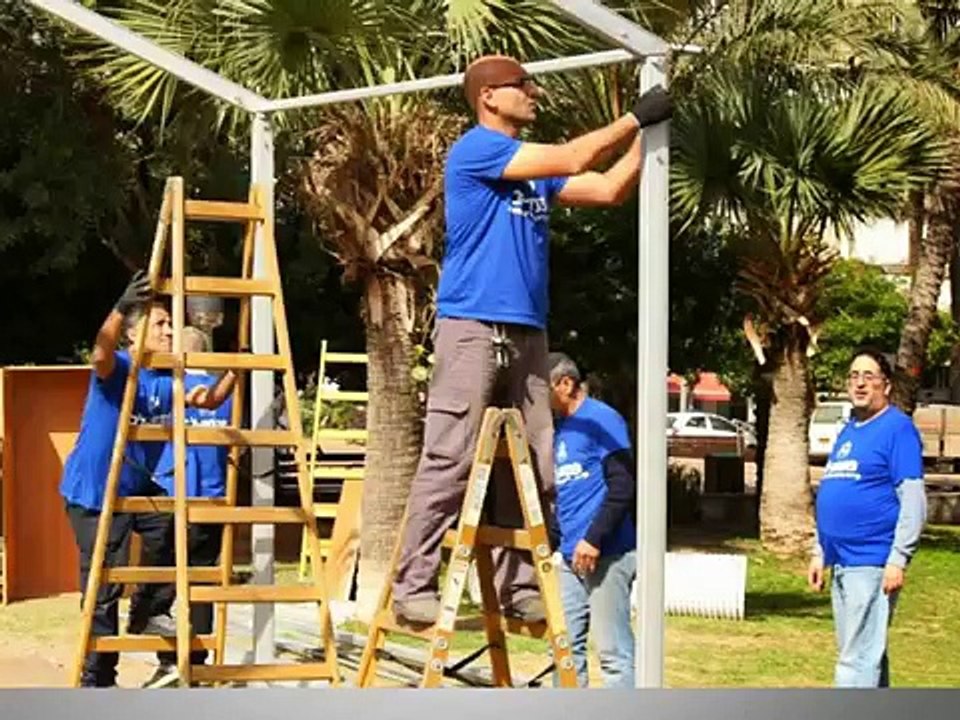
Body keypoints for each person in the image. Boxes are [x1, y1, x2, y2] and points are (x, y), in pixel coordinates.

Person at [392, 53, 671, 626]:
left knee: (536, 465)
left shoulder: (533, 173)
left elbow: (609, 188)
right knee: (450, 457)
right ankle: (412, 585)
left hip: (528, 330)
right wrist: (633, 119)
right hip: (471, 325)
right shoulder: (477, 149)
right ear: (489, 96)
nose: (533, 93)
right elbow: (574, 155)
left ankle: (518, 584)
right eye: (523, 86)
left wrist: (653, 135)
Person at [60, 271, 235, 688]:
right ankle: (97, 677)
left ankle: (148, 610)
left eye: (171, 324)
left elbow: (208, 399)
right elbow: (98, 357)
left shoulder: (168, 375)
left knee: (176, 539)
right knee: (103, 581)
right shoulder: (120, 367)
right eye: (160, 324)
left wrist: (240, 360)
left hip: (139, 486)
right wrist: (120, 309)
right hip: (94, 490)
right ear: (133, 335)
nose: (171, 330)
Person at [808, 347, 927, 688]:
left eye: (869, 376)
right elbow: (833, 491)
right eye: (854, 376)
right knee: (867, 655)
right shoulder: (848, 431)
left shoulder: (897, 429)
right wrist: (820, 552)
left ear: (886, 386)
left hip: (872, 562)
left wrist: (898, 558)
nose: (860, 384)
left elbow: (913, 499)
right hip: (842, 562)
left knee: (855, 661)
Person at [147, 326, 234, 688]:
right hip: (211, 496)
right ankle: (197, 660)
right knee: (201, 580)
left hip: (170, 490)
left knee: (166, 578)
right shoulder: (225, 393)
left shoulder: (171, 391)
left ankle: (169, 660)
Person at [548, 352, 636, 688]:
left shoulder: (601, 419)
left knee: (614, 653)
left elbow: (622, 485)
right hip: (571, 558)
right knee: (564, 651)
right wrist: (550, 544)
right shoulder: (563, 430)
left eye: (543, 388)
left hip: (608, 553)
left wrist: (595, 538)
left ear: (565, 384)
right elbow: (570, 496)